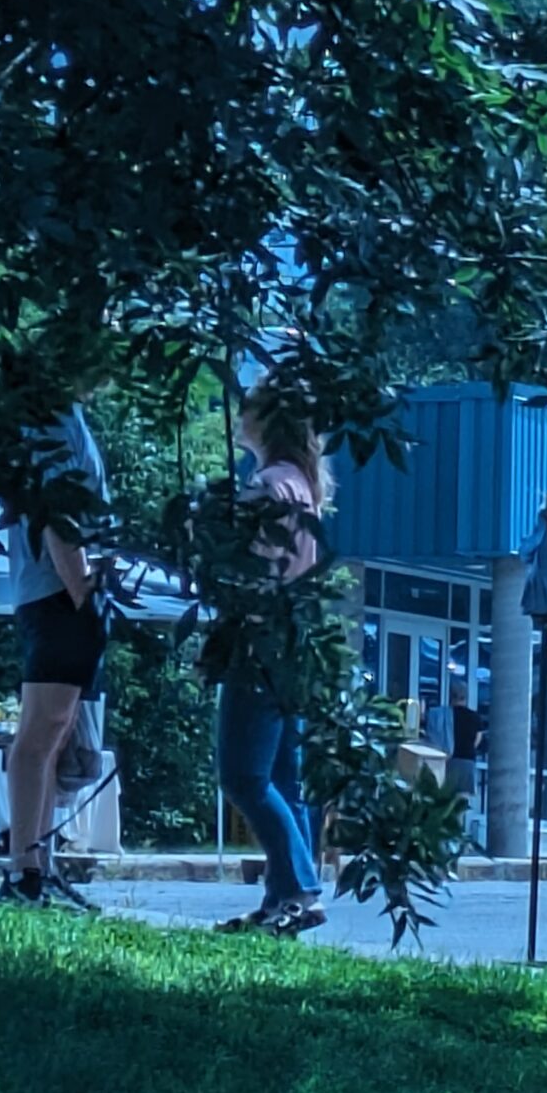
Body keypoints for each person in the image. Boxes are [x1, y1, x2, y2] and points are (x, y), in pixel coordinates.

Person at [211, 378, 331, 935]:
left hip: (258, 639)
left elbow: (244, 568)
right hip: (294, 644)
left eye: (249, 408)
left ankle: (301, 889)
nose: (239, 416)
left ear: (268, 420)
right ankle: (281, 897)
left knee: (242, 774)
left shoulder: (267, 486)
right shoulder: (302, 486)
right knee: (284, 776)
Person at [0, 404, 109, 910]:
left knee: (55, 735)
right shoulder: (49, 420)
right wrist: (81, 590)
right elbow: (56, 514)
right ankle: (22, 874)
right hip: (55, 595)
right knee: (39, 736)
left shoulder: (67, 416)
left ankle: (40, 869)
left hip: (60, 595)